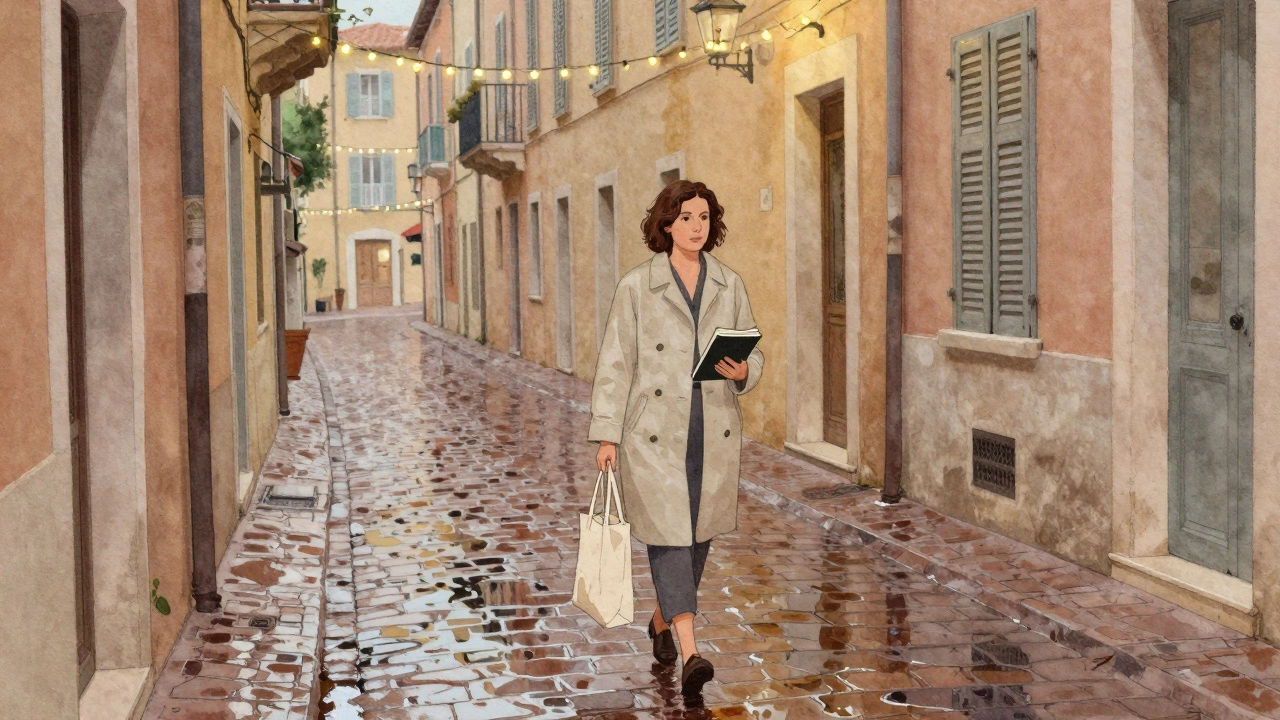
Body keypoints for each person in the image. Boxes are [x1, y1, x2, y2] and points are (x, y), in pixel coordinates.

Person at [588, 179, 764, 696]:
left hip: (711, 430)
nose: (695, 227)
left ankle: (662, 623)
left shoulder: (730, 285)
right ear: (666, 225)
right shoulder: (636, 286)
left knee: (696, 539)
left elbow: (755, 351)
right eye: (685, 217)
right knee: (669, 539)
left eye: (704, 218)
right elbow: (615, 365)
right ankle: (691, 652)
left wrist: (742, 372)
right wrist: (607, 435)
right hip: (652, 435)